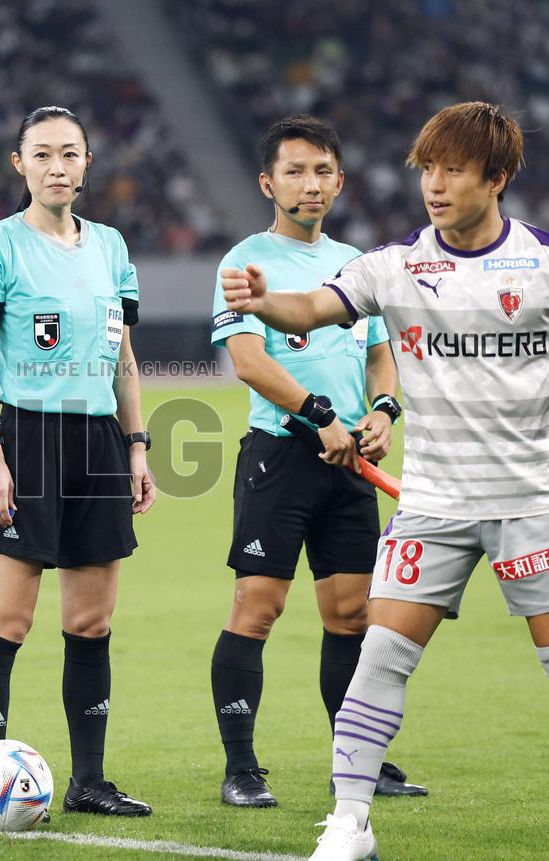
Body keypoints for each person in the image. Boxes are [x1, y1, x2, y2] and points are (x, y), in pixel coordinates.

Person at [222, 102, 547, 861]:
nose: (434, 185)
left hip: (529, 503)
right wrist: (264, 298)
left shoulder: (536, 265)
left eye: (454, 170)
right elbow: (309, 307)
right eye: (426, 169)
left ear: (496, 178)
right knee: (379, 655)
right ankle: (350, 821)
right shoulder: (393, 267)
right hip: (432, 504)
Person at [209, 115, 424, 807]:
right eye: (296, 171)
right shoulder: (244, 262)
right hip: (282, 454)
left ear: (340, 179)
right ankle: (240, 767)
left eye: (323, 170)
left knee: (352, 613)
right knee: (258, 607)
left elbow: (378, 354)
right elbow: (247, 361)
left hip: (348, 462)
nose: (311, 184)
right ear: (268, 182)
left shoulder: (357, 266)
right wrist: (322, 415)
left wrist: (382, 411)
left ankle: (356, 760)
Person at [0, 106, 155, 817]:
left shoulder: (110, 246)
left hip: (98, 441)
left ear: (88, 162)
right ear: (20, 164)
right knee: (7, 621)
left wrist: (137, 446)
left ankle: (89, 781)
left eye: (70, 154)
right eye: (42, 155)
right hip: (26, 438)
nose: (57, 167)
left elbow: (125, 361)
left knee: (92, 625)